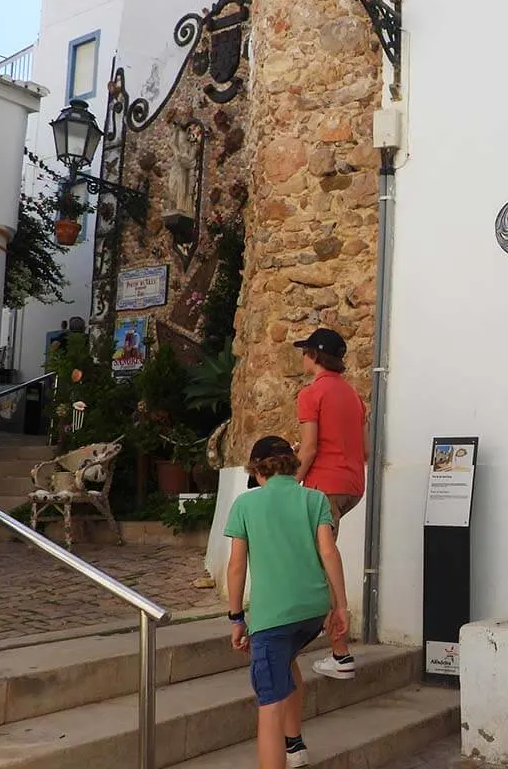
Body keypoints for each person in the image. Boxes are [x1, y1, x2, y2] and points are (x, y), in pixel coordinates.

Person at [225, 435, 349, 769]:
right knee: (287, 659)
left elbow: (236, 567)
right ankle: (294, 745)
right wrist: (341, 606)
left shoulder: (245, 504)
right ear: (291, 465)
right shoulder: (315, 499)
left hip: (272, 617)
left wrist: (236, 617)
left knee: (269, 707)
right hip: (311, 611)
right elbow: (328, 551)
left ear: (258, 472)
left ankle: (283, 750)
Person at [291, 327, 369, 680]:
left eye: (305, 351)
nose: (302, 356)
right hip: (352, 486)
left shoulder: (311, 395)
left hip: (324, 487)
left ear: (315, 356)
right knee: (320, 562)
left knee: (323, 569)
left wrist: (290, 484)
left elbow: (308, 449)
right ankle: (325, 640)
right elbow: (364, 450)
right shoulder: (353, 396)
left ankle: (340, 654)